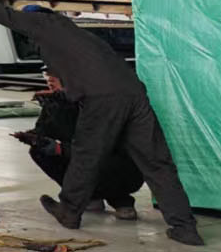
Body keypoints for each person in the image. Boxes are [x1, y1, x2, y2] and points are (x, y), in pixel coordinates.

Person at [0, 0, 203, 245]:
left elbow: (4, 15)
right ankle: (184, 226)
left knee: (86, 154)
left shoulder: (43, 23)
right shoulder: (77, 36)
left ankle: (69, 210)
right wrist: (61, 95)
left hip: (102, 100)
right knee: (157, 163)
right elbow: (90, 74)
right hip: (134, 94)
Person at [15, 73, 142, 219]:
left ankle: (120, 200)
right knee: (40, 152)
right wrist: (33, 137)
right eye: (47, 74)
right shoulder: (58, 100)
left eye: (55, 74)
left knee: (104, 161)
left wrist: (60, 149)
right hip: (89, 159)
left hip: (120, 169)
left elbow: (96, 148)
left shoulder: (99, 104)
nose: (49, 79)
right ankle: (90, 197)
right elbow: (43, 131)